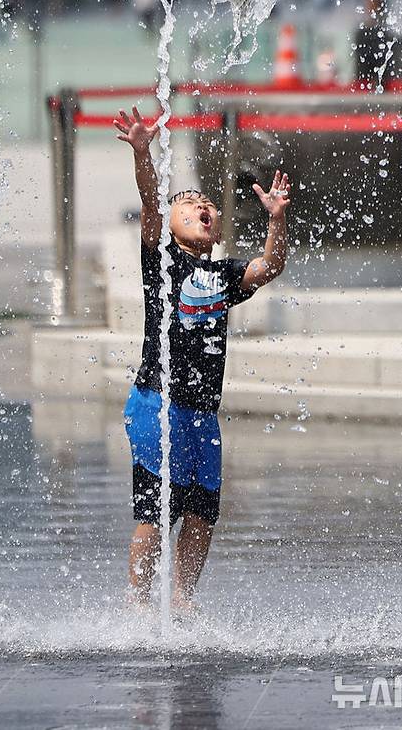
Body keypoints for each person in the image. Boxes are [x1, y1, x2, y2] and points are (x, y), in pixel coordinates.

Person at [113, 105, 291, 612]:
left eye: (206, 203)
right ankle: (139, 606)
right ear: (170, 226)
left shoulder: (225, 275)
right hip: (157, 402)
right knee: (157, 509)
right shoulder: (161, 262)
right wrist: (143, 153)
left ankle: (183, 602)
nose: (200, 207)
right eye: (188, 205)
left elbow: (270, 266)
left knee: (203, 511)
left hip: (202, 412)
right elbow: (150, 204)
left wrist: (277, 221)